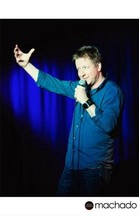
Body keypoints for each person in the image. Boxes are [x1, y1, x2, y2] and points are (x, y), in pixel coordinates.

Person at [13, 44, 124, 196]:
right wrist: (27, 66)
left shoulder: (112, 91)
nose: (81, 74)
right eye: (78, 69)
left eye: (85, 67)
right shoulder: (80, 87)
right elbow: (52, 83)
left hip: (96, 170)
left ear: (98, 66)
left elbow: (109, 125)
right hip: (71, 168)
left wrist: (85, 101)